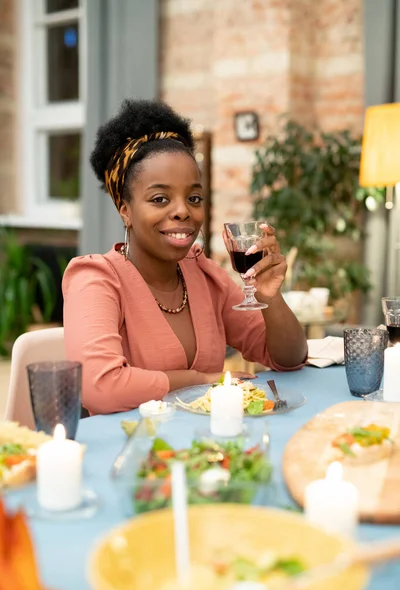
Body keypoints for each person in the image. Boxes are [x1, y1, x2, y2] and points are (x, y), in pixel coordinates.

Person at [62, 100, 307, 415]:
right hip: (130, 450)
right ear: (126, 211)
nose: (182, 211)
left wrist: (270, 297)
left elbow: (289, 358)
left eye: (194, 198)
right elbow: (99, 388)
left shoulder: (202, 273)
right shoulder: (95, 279)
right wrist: (204, 380)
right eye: (160, 198)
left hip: (207, 448)